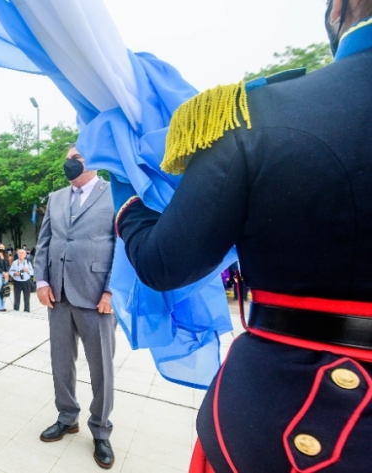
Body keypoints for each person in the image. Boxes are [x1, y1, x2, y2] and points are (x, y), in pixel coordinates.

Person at [113, 2, 372, 471]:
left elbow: (163, 263)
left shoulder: (249, 115)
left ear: (339, 9)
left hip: (283, 419)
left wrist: (128, 201)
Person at [34, 145, 116, 469]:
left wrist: (110, 291)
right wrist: (41, 281)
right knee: (60, 363)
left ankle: (101, 429)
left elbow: (122, 247)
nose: (71, 162)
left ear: (95, 160)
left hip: (97, 298)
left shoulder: (114, 194)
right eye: (69, 158)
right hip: (58, 295)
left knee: (102, 371)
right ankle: (68, 417)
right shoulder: (55, 198)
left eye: (78, 157)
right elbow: (44, 242)